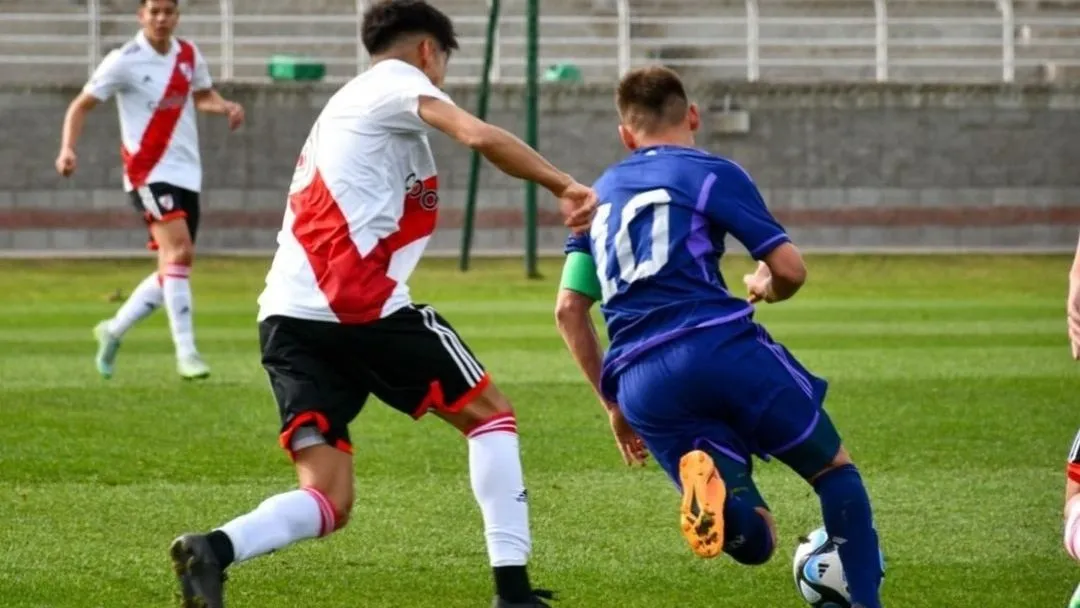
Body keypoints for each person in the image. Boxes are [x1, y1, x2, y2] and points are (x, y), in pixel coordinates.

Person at [167, 2, 594, 607]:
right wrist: (564, 184)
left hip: (287, 320)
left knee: (329, 499)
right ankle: (513, 590)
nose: (441, 76)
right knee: (491, 416)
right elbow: (478, 135)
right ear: (427, 51)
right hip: (357, 308)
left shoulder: (349, 104)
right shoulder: (398, 84)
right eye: (442, 61)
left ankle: (213, 549)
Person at [553, 65, 884, 608]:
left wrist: (612, 403)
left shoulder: (596, 200)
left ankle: (727, 511)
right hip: (717, 346)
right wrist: (767, 286)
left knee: (757, 539)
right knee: (833, 471)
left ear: (625, 135)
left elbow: (569, 310)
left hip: (639, 381)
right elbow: (790, 269)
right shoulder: (710, 172)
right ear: (693, 116)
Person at [55, 0, 245, 380]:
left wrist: (224, 106)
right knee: (180, 252)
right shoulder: (123, 60)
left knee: (174, 266)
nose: (161, 18)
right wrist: (67, 148)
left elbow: (202, 95)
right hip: (148, 172)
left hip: (188, 173)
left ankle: (114, 329)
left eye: (168, 11)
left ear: (177, 16)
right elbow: (81, 105)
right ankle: (187, 354)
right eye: (153, 11)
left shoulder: (188, 54)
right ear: (140, 15)